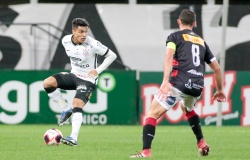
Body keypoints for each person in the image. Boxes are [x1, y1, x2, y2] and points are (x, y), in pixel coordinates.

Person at [130, 9, 226, 158]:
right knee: (186, 108)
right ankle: (201, 142)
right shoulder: (201, 42)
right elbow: (217, 68)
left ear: (178, 21)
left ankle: (146, 152)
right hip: (197, 86)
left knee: (152, 114)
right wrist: (220, 90)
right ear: (194, 24)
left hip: (178, 83)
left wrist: (165, 82)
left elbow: (168, 57)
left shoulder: (174, 37)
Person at [43, 18, 117, 146]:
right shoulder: (65, 40)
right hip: (74, 75)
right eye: (81, 32)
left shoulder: (93, 44)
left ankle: (73, 138)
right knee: (47, 83)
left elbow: (112, 55)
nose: (84, 35)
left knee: (77, 103)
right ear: (73, 31)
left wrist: (98, 70)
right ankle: (66, 109)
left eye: (86, 32)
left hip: (88, 79)